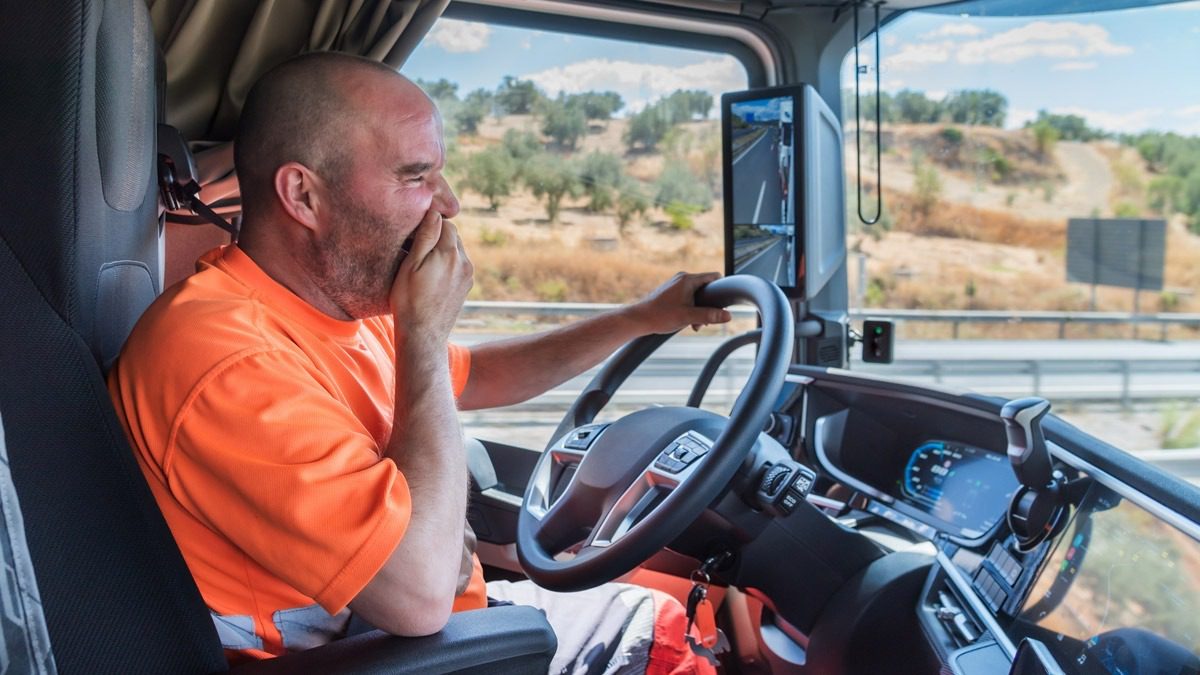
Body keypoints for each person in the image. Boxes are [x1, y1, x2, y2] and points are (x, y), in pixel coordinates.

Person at [109, 52, 731, 673]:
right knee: (665, 634)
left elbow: (482, 375)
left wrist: (637, 318)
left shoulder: (334, 310)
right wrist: (425, 333)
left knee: (678, 605)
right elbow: (420, 596)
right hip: (378, 657)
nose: (449, 205)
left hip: (412, 639)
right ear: (303, 194)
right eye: (417, 177)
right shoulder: (226, 359)